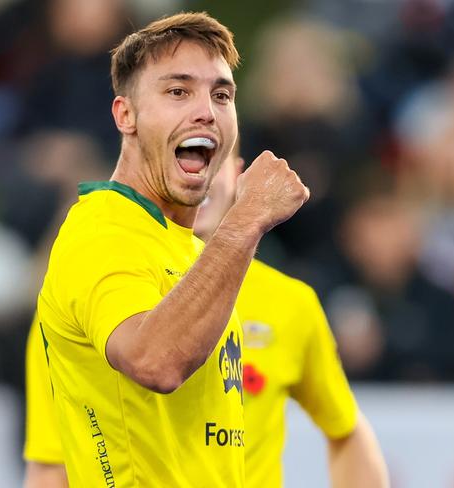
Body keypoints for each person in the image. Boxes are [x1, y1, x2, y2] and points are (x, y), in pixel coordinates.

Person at [34, 12, 309, 487]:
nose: (206, 110)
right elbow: (154, 361)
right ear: (126, 115)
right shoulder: (102, 230)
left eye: (221, 95)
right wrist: (245, 219)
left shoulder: (183, 245)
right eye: (178, 91)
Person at [24, 146, 389, 487]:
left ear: (238, 174)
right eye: (183, 163)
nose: (200, 178)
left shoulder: (290, 302)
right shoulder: (87, 291)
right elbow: (51, 464)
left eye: (212, 162)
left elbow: (347, 429)